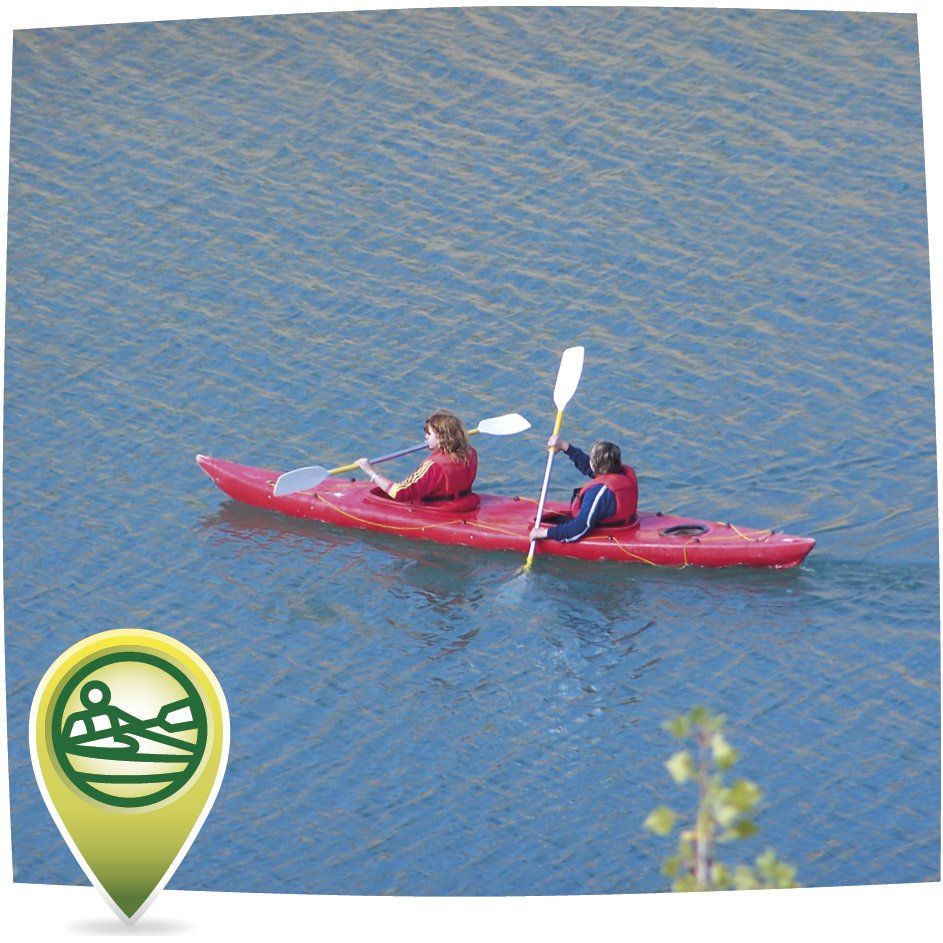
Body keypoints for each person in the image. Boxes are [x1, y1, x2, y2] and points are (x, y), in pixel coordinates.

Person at [529, 435, 637, 542]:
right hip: (624, 522)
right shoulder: (622, 474)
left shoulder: (597, 493)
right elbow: (589, 465)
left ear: (593, 465)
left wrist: (544, 533)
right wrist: (564, 446)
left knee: (560, 524)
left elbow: (580, 528)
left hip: (603, 530)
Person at [356, 409, 478, 504]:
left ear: (441, 437)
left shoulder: (434, 466)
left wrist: (371, 472)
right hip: (465, 502)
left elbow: (400, 493)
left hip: (442, 509)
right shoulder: (470, 453)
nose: (425, 437)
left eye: (429, 433)